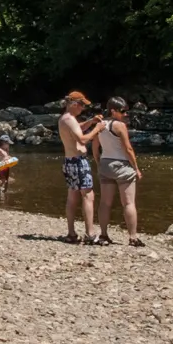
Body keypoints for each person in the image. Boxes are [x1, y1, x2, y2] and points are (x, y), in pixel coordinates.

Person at [94, 97, 144, 247]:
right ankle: (133, 237)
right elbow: (128, 149)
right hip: (122, 165)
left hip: (105, 163)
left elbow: (95, 147)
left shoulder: (99, 125)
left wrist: (98, 163)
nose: (125, 114)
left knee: (105, 202)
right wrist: (136, 168)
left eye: (126, 111)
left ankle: (103, 234)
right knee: (128, 203)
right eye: (122, 111)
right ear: (113, 111)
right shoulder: (120, 126)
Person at [56, 91, 102, 244]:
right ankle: (90, 234)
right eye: (82, 105)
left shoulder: (66, 119)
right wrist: (97, 129)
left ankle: (71, 233)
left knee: (72, 197)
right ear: (75, 104)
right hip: (78, 162)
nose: (83, 108)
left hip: (69, 161)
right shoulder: (70, 119)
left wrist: (91, 121)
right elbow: (82, 139)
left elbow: (77, 128)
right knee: (88, 196)